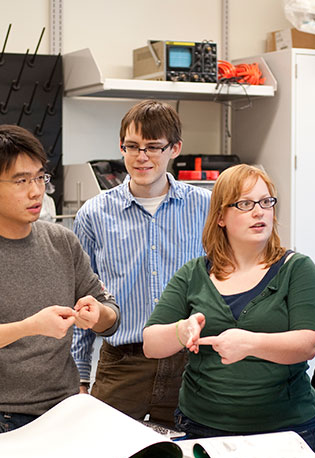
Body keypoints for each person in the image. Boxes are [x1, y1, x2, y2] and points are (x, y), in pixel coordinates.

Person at [0, 124, 120, 435]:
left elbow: (109, 314)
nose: (36, 191)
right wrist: (30, 327)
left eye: (39, 177)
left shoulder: (62, 242)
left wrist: (99, 314)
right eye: (21, 181)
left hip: (64, 412)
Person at [142, 164, 315, 449]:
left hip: (285, 431)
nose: (259, 212)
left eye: (266, 202)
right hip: (202, 428)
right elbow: (151, 344)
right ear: (220, 217)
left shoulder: (297, 269)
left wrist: (250, 343)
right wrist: (183, 330)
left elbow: (308, 343)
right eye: (245, 204)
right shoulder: (194, 274)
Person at [70, 100, 211, 426]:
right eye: (132, 147)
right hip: (122, 365)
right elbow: (80, 298)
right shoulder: (94, 214)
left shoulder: (205, 207)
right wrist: (78, 374)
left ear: (175, 148)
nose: (141, 157)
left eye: (153, 147)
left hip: (189, 364)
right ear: (121, 147)